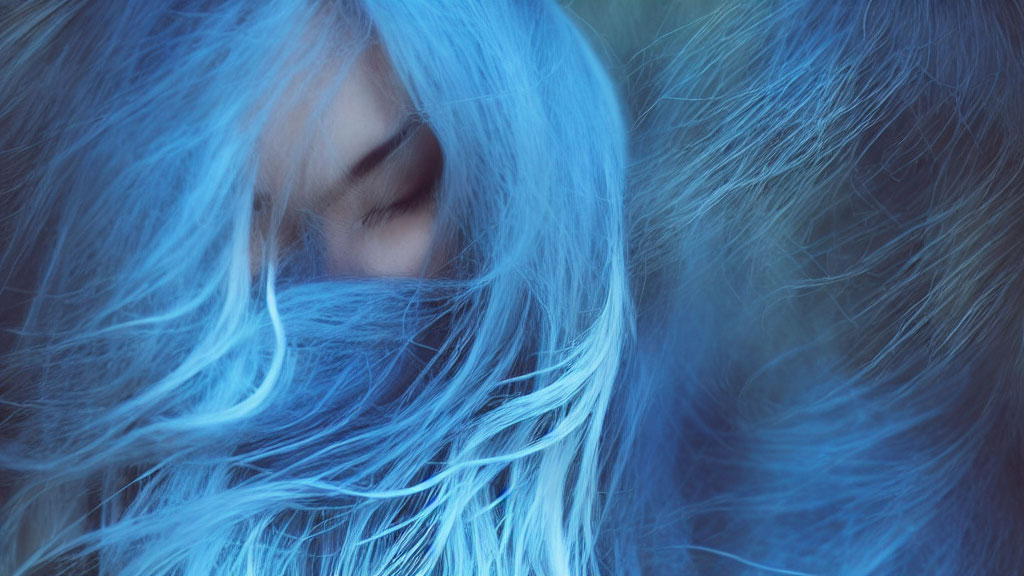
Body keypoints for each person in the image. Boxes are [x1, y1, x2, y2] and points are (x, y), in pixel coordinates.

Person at [0, 1, 629, 574]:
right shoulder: (81, 509)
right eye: (250, 229)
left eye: (395, 195)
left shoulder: (654, 472)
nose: (330, 292)